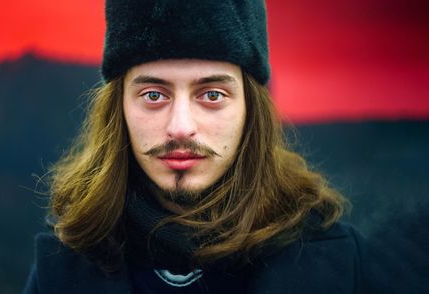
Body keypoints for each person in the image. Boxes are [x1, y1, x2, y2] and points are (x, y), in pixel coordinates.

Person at [24, 0, 404, 293]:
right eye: (154, 94)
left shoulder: (337, 261)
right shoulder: (63, 268)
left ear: (250, 110)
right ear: (119, 109)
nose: (181, 127)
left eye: (212, 94)